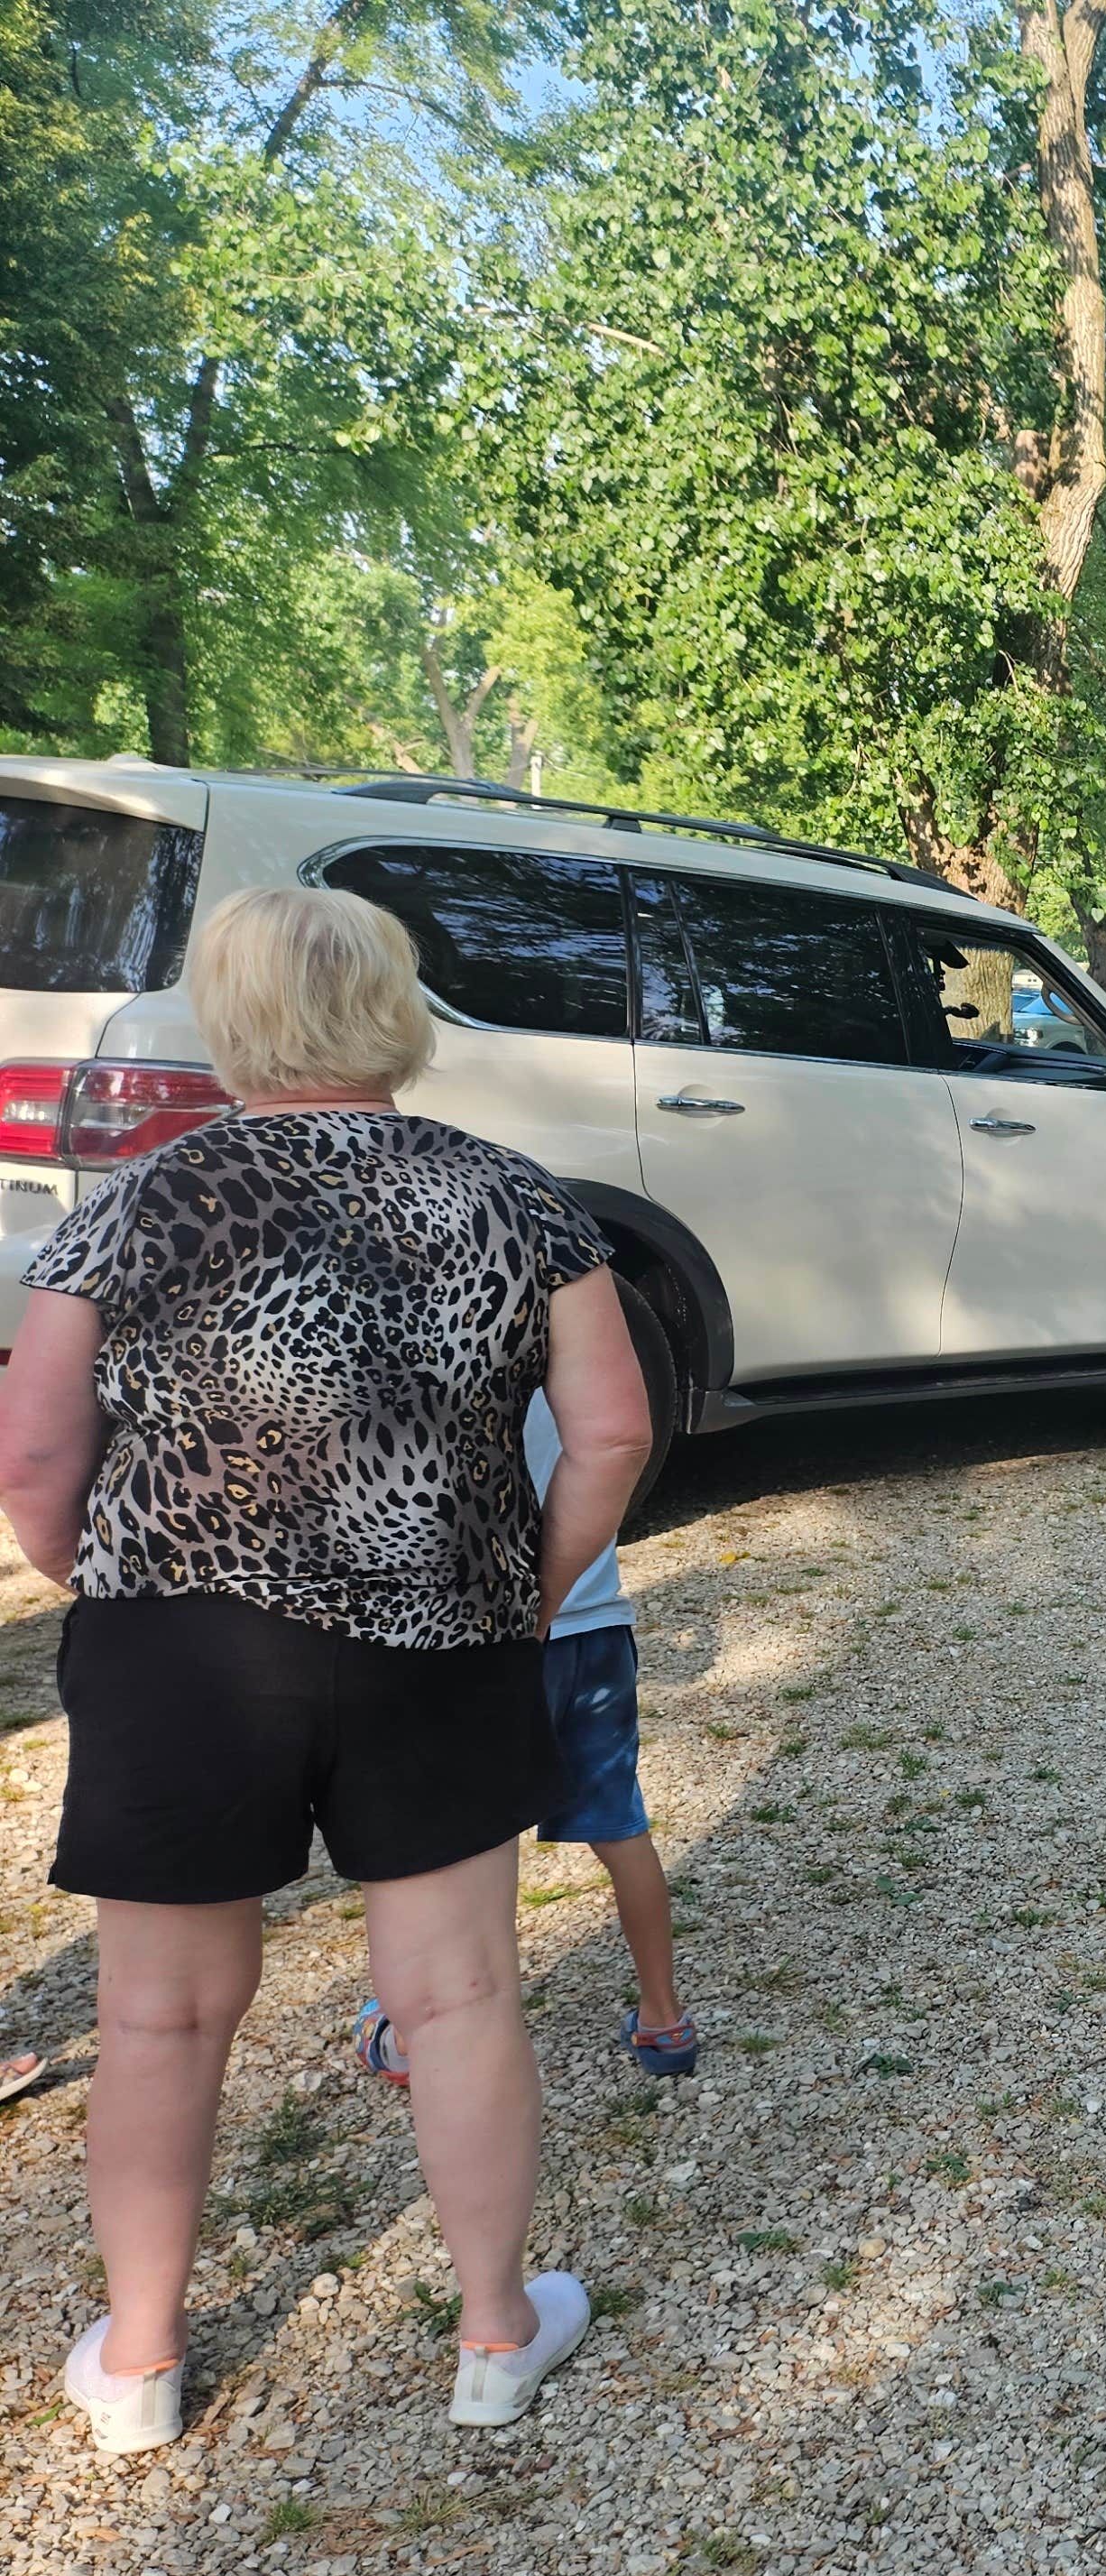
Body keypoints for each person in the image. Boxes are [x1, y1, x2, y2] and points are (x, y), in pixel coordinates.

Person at [0, 883, 653, 2457]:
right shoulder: (523, 1204)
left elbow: (34, 1453)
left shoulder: (132, 1204)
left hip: (181, 1644)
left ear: (233, 1019)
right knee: (460, 1992)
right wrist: (528, 1589)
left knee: (162, 2017)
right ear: (396, 1010)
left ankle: (141, 2363)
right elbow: (616, 1435)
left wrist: (95, 1580)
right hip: (441, 1637)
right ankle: (496, 2337)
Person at [352, 1393, 693, 2087]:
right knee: (622, 1826)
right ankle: (665, 2016)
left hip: (489, 1636)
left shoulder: (442, 1357)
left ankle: (423, 2030)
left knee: (468, 1847)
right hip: (597, 1624)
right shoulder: (572, 1354)